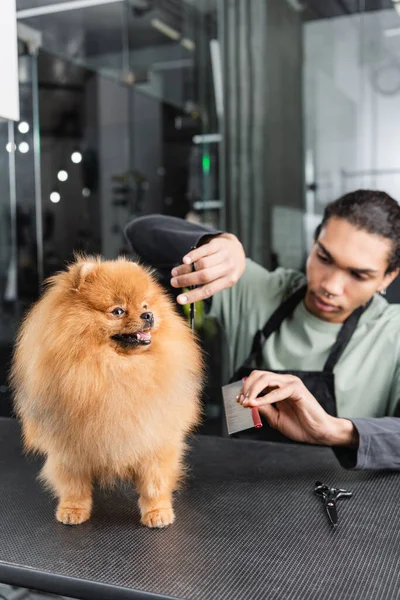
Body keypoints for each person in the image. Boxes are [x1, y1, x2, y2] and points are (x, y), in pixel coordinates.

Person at [125, 190, 400, 471]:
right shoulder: (257, 291)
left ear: (388, 276)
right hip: (235, 489)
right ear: (314, 242)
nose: (331, 285)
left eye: (358, 275)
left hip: (347, 506)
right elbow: (140, 233)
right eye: (324, 258)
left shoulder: (394, 333)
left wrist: (336, 430)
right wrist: (214, 243)